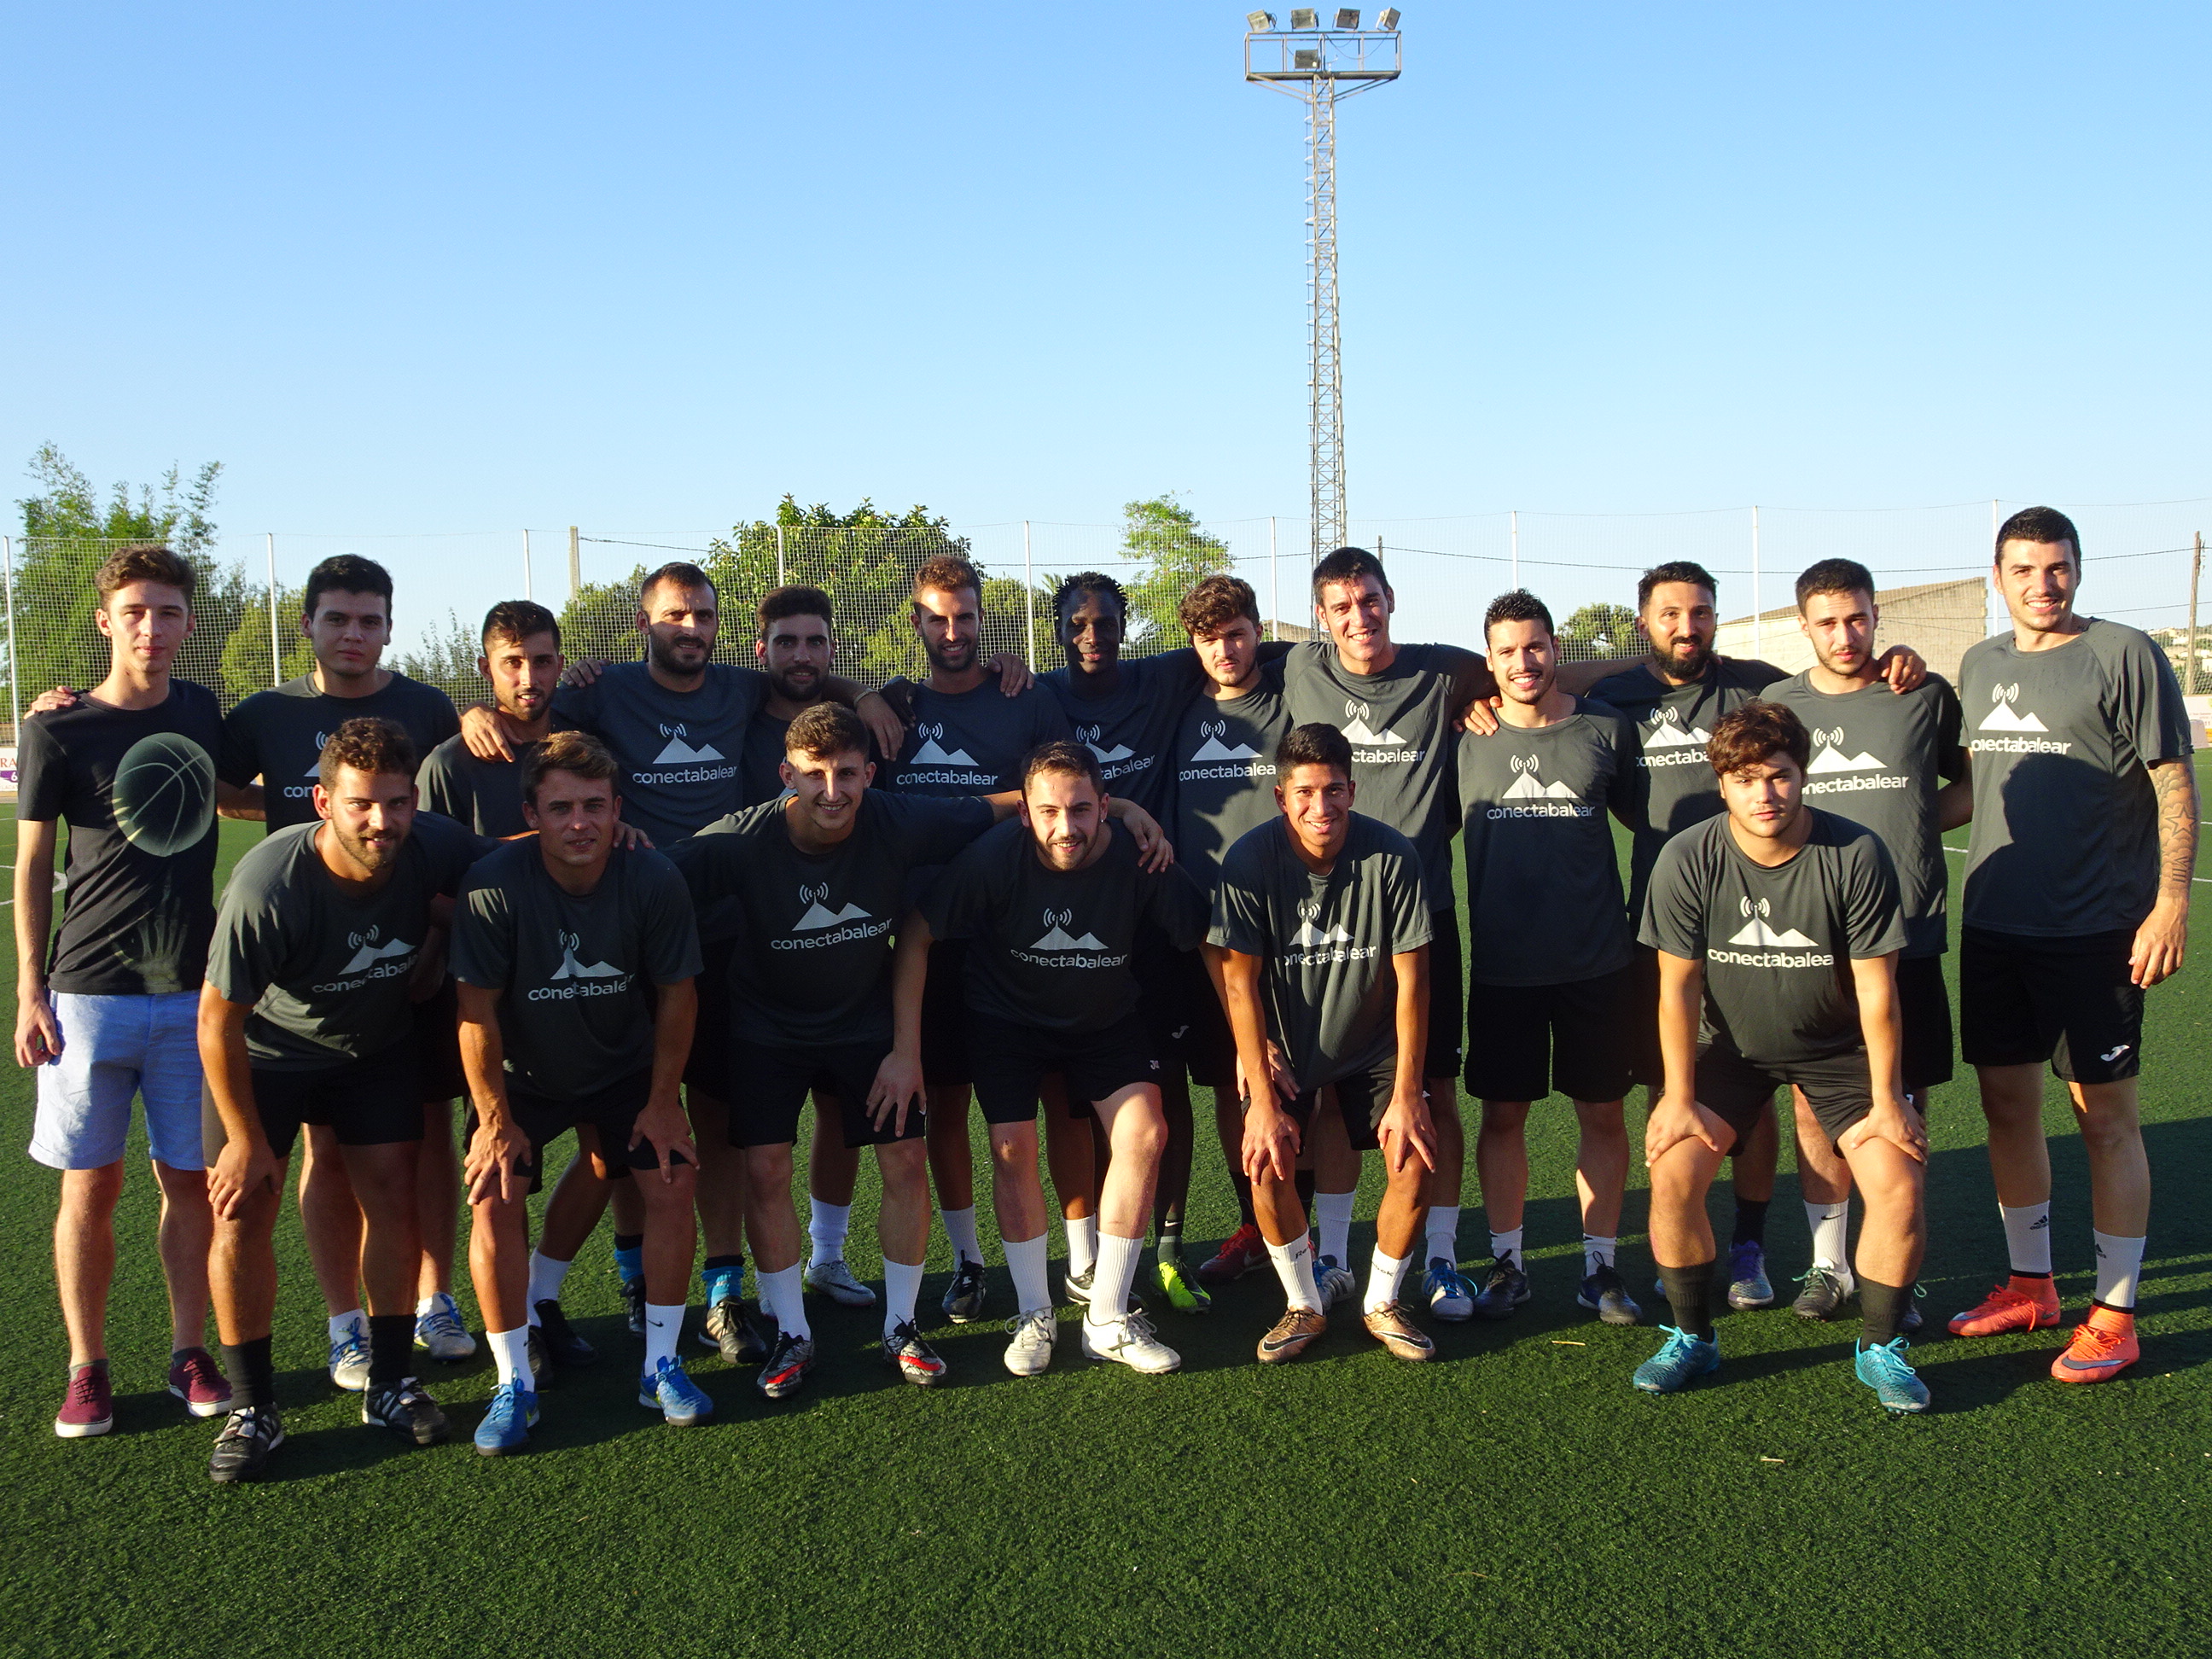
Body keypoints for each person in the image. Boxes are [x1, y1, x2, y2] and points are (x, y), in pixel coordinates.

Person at [461, 562, 899, 1370]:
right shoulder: (604, 689)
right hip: (619, 936)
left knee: (715, 1127)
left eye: (702, 615)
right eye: (674, 615)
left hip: (725, 940)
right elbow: (534, 713)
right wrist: (476, 709)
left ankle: (723, 1291)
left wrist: (862, 697)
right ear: (643, 623)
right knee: (618, 1138)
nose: (689, 628)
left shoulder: (737, 687)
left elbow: (801, 671)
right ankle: (629, 1284)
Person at [1587, 560, 1923, 1314]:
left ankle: (1759, 1249)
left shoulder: (1758, 687)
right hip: (1682, 912)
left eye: (1701, 612)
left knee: (1789, 1107)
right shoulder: (1613, 698)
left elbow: (1834, 676)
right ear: (1644, 623)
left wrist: (1894, 661)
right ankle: (1689, 1304)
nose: (1687, 627)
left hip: (1809, 960)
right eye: (1670, 614)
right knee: (1678, 1106)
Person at [669, 702, 1020, 1396]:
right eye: (815, 775)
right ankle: (793, 1334)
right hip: (765, 1028)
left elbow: (1001, 806)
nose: (833, 792)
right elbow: (644, 879)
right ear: (787, 776)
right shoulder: (738, 840)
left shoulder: (899, 819)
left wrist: (1122, 809)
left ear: (870, 774)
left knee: (906, 1158)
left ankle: (901, 1325)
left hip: (866, 1024)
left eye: (848, 774)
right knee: (766, 1170)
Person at [199, 719, 489, 1481]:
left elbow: (516, 865)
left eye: (396, 802)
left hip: (374, 1049)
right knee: (242, 1209)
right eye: (361, 803)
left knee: (394, 1197)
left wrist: (615, 833)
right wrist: (242, 1138)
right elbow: (216, 1022)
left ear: (415, 801)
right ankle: (252, 1406)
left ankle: (390, 1382)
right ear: (324, 802)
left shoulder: (433, 843)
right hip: (267, 1055)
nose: (380, 821)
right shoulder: (269, 884)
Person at [1947, 507, 2193, 1382]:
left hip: (2094, 931)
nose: (2041, 584)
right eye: (2023, 569)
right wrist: (1879, 828)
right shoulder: (1980, 664)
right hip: (1995, 927)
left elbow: (2172, 779)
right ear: (1998, 577)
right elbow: (1973, 789)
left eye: (2056, 567)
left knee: (2105, 1121)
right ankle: (2032, 1286)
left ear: (2078, 570)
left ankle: (2116, 1315)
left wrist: (2170, 903)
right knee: (2006, 1109)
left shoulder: (2125, 653)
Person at [1636, 701, 1931, 1413]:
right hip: (1730, 1050)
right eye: (1745, 780)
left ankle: (1882, 1346)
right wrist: (1677, 1096)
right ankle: (1693, 1338)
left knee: (1898, 1183)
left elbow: (1878, 990)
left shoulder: (1855, 852)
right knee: (1672, 1173)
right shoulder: (1688, 856)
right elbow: (1677, 988)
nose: (1764, 794)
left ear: (1804, 775)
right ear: (1722, 784)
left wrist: (1889, 1099)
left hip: (1838, 1051)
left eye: (1779, 775)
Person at [222, 556, 473, 1377]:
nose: (353, 634)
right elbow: (207, 778)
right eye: (337, 619)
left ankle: (434, 1300)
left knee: (418, 1143)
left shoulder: (426, 707)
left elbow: (443, 837)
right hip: (299, 978)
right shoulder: (267, 712)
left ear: (390, 629)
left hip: (403, 968)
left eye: (369, 620)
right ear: (308, 626)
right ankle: (345, 1325)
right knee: (327, 1155)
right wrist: (291, 819)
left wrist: (433, 940)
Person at [15, 545, 243, 1437]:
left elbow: (235, 793)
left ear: (189, 623)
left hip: (192, 994)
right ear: (105, 620)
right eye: (136, 612)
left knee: (190, 1183)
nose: (152, 628)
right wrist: (29, 992)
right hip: (87, 997)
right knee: (90, 1188)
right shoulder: (58, 728)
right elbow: (34, 866)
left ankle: (189, 1352)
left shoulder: (201, 710)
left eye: (169, 612)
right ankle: (88, 1367)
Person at [451, 732, 707, 1452]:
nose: (579, 823)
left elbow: (678, 996)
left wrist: (664, 1101)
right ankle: (513, 1381)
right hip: (523, 1074)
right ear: (531, 814)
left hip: (622, 1066)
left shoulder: (652, 876)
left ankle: (661, 1364)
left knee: (671, 1177)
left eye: (594, 805)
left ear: (617, 809)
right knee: (495, 1192)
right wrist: (494, 1120)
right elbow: (474, 1013)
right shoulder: (493, 885)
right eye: (560, 808)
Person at [915, 742, 1207, 1376]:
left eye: (1080, 809)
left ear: (1106, 806)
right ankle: (1033, 1313)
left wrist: (1252, 1037)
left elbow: (1206, 934)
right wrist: (905, 1048)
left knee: (1146, 1134)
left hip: (1105, 1019)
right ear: (1025, 812)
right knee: (1012, 1148)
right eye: (1048, 812)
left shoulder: (1141, 855)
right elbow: (920, 930)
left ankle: (1107, 1318)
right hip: (1006, 1020)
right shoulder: (993, 856)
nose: (1065, 827)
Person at [420, 598, 652, 1357]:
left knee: (610, 1154)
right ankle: (509, 1333)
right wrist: (499, 925)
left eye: (544, 660)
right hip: (497, 999)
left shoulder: (585, 747)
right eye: (512, 662)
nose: (529, 676)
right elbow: (420, 880)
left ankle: (542, 1294)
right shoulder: (453, 761)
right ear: (485, 668)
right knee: (503, 1165)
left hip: (595, 990)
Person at [1279, 549, 1488, 1321]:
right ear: (1321, 617)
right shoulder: (1296, 667)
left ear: (1391, 599)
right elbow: (1205, 660)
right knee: (1335, 1096)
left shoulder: (1444, 672)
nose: (1358, 617)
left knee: (1433, 1090)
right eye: (1340, 606)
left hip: (1421, 919)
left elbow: (1532, 667)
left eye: (1368, 600)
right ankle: (1334, 1258)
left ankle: (1442, 1258)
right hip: (1331, 926)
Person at [1767, 560, 1965, 1322]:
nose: (1844, 635)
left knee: (1904, 1107)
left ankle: (1892, 1274)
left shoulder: (1922, 693)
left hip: (1906, 934)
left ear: (1877, 616)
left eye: (1856, 618)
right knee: (1811, 1107)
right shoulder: (1779, 706)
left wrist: (1913, 821)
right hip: (1810, 945)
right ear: (1804, 626)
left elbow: (1970, 782)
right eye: (1827, 622)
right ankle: (1829, 1266)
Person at [1207, 722, 1440, 1365]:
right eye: (1305, 793)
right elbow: (1238, 983)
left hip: (1374, 1040)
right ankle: (1303, 1304)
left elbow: (1413, 980)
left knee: (1416, 1151)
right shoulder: (1250, 860)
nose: (1321, 807)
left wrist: (1408, 1091)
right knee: (1265, 1157)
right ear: (1281, 797)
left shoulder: (1392, 855)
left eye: (1334, 790)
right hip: (1287, 1043)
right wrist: (1259, 1093)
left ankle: (1382, 1301)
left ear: (1352, 791)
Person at [880, 556, 1074, 1325]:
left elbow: (1067, 788)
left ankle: (1082, 1255)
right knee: (946, 1105)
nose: (952, 631)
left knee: (1049, 1102)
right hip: (923, 940)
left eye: (964, 616)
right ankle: (968, 1260)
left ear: (982, 619)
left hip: (1013, 936)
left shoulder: (1026, 697)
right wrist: (864, 694)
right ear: (917, 623)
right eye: (938, 618)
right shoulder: (893, 706)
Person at [1456, 591, 1644, 1325]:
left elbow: (1643, 819)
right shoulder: (1465, 737)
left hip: (1598, 962)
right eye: (1506, 650)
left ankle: (1600, 1267)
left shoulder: (1605, 728)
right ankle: (1509, 1263)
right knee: (1504, 1115)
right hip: (1505, 967)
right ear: (1489, 660)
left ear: (1556, 648)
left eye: (1534, 646)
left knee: (1602, 1113)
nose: (1522, 661)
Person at [733, 585, 888, 1316]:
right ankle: (735, 1286)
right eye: (786, 641)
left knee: (840, 1118)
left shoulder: (854, 722)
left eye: (815, 642)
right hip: (739, 959)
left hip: (843, 966)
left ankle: (826, 1258)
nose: (801, 655)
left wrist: (868, 693)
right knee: (746, 1146)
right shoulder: (730, 701)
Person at [1168, 577, 1306, 1295]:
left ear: (1257, 631)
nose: (1224, 650)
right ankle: (1256, 1223)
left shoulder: (1291, 697)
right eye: (1207, 639)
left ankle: (1310, 1228)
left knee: (1304, 1079)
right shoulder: (1177, 708)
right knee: (1233, 1081)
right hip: (1209, 938)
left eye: (1237, 634)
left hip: (1294, 929)